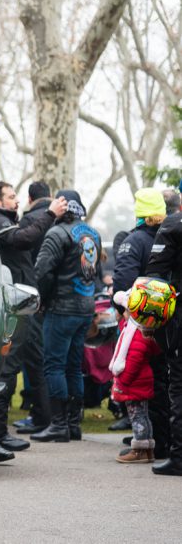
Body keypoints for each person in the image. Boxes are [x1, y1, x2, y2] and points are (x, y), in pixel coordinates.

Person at [0, 181, 67, 460]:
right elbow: (24, 239)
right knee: (5, 368)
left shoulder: (4, 219)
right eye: (10, 196)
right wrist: (51, 213)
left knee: (11, 367)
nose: (16, 200)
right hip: (8, 306)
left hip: (19, 303)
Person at [32, 190, 101, 443]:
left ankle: (59, 425)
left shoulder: (56, 233)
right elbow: (93, 271)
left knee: (54, 365)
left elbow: (41, 272)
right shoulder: (92, 233)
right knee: (73, 366)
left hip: (61, 307)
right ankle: (73, 425)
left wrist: (41, 299)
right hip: (85, 307)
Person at [111, 189, 169, 456]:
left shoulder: (134, 241)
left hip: (141, 322)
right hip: (169, 318)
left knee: (140, 379)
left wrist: (121, 306)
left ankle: (149, 439)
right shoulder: (171, 236)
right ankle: (165, 438)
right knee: (165, 379)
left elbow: (124, 279)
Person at [109, 280, 175, 463]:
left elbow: (132, 362)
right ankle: (147, 450)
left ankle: (139, 449)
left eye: (125, 310)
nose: (122, 313)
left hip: (134, 384)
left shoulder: (136, 335)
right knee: (143, 416)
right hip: (140, 382)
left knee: (138, 418)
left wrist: (122, 382)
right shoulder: (139, 330)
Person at [144, 193, 182, 475]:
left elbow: (155, 277)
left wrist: (148, 321)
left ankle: (179, 457)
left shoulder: (174, 224)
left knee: (179, 384)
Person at [14, 181, 55, 432]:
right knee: (56, 362)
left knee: (34, 359)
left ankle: (40, 415)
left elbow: (39, 266)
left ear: (30, 198)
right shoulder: (63, 221)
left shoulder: (28, 221)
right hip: (63, 300)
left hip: (33, 297)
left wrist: (37, 298)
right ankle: (62, 416)